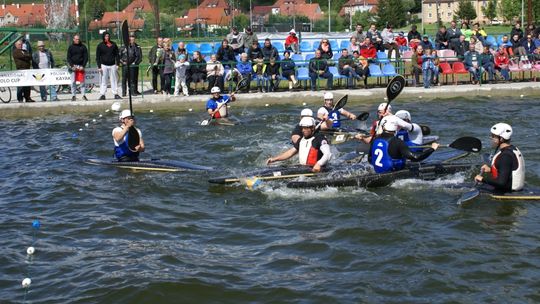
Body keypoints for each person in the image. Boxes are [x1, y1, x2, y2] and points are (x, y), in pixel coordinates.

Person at [368, 115, 439, 173]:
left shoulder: (375, 140)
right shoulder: (398, 142)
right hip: (393, 173)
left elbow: (370, 159)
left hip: (378, 172)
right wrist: (432, 149)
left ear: (383, 127)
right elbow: (415, 157)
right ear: (396, 127)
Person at [267, 116, 332, 173]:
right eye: (302, 128)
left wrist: (319, 164)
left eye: (306, 128)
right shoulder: (301, 140)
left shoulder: (319, 138)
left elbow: (328, 154)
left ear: (312, 128)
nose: (304, 130)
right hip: (304, 169)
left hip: (316, 170)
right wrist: (274, 159)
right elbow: (290, 153)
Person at [474, 123, 525, 193]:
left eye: (493, 136)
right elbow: (508, 170)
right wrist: (491, 170)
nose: (491, 138)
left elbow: (501, 183)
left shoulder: (505, 156)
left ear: (501, 139)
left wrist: (482, 179)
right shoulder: (511, 149)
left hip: (507, 190)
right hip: (510, 187)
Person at [96, 31, 121, 100]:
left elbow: (117, 55)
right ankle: (102, 94)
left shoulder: (113, 44)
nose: (107, 37)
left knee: (114, 80)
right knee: (104, 80)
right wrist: (99, 66)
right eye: (106, 36)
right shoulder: (100, 45)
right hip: (104, 65)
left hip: (112, 65)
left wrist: (118, 64)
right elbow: (97, 57)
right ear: (103, 37)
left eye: (108, 36)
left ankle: (115, 94)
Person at [66, 34, 89, 101]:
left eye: (78, 39)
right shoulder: (71, 47)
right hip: (73, 67)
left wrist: (83, 66)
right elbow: (68, 57)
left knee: (82, 82)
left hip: (81, 66)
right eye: (76, 39)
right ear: (73, 39)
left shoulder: (83, 47)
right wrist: (72, 66)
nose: (77, 40)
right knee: (73, 82)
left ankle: (83, 95)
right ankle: (73, 96)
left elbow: (86, 57)